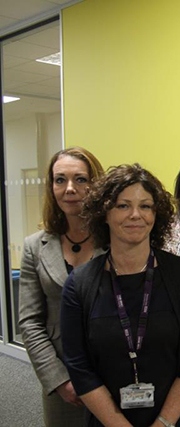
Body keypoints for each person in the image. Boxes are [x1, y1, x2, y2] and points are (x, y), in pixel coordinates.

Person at [60, 164, 180, 427]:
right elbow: (79, 367)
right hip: (108, 421)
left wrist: (164, 422)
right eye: (122, 206)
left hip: (176, 420)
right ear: (103, 213)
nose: (135, 215)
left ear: (156, 214)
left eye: (145, 206)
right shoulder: (79, 284)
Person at [19, 147, 104, 427]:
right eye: (60, 180)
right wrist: (59, 380)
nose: (70, 189)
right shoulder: (35, 247)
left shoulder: (117, 240)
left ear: (96, 184)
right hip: (62, 376)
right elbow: (30, 322)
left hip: (112, 371)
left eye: (81, 179)